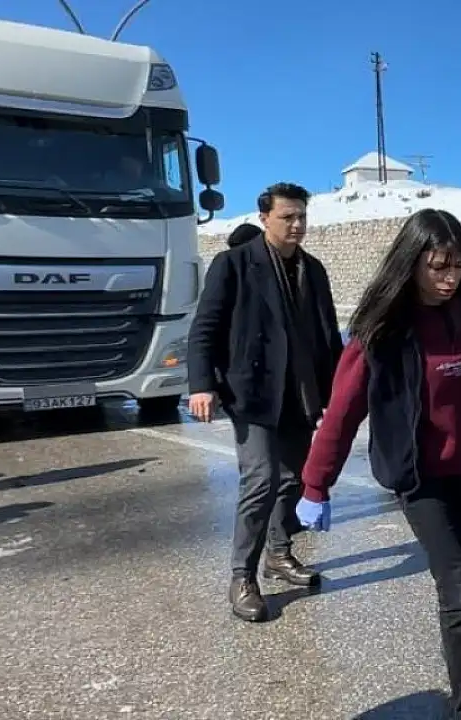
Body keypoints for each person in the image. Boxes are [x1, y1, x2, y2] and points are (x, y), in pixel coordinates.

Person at [294, 208, 461, 719]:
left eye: (459, 266)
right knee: (460, 588)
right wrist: (316, 484)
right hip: (423, 479)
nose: (450, 278)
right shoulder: (381, 332)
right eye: (438, 267)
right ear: (411, 263)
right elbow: (342, 412)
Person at [186, 182, 343, 623]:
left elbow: (328, 334)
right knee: (260, 480)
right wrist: (201, 385)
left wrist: (338, 391)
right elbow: (204, 328)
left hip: (301, 393)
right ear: (264, 219)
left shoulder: (313, 269)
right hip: (252, 391)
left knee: (293, 479)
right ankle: (242, 576)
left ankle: (278, 553)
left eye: (302, 217)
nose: (297, 225)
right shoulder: (234, 264)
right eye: (287, 217)